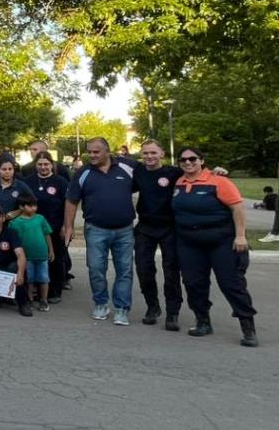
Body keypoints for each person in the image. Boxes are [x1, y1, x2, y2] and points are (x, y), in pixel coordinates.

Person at [172, 148, 258, 347]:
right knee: (193, 283)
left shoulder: (219, 181)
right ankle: (202, 321)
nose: (187, 162)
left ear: (202, 160)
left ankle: (248, 326)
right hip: (189, 242)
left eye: (192, 158)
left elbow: (237, 208)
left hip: (221, 241)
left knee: (231, 284)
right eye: (183, 160)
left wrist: (240, 236)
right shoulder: (179, 181)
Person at [63, 137, 137, 326]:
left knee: (125, 270)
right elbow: (71, 201)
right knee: (96, 269)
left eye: (96, 152)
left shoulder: (128, 167)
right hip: (96, 229)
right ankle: (101, 303)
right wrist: (69, 226)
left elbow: (153, 176)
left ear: (107, 151)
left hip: (125, 230)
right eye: (89, 151)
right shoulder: (83, 172)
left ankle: (121, 309)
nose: (92, 155)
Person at [131, 140, 185, 329]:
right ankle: (152, 307)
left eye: (153, 153)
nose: (149, 157)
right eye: (145, 153)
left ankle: (173, 312)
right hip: (145, 227)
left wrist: (218, 171)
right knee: (143, 269)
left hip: (169, 228)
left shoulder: (174, 172)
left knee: (171, 271)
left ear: (162, 154)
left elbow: (200, 174)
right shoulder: (138, 172)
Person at [26, 152, 70, 303]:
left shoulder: (61, 182)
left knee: (55, 259)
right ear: (35, 165)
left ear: (52, 165)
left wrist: (66, 225)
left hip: (56, 227)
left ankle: (54, 291)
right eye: (40, 164)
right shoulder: (28, 181)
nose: (43, 167)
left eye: (46, 164)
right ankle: (37, 290)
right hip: (34, 229)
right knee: (35, 258)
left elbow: (68, 205)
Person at [9, 195, 53, 312]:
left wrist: (51, 250)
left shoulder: (40, 219)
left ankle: (44, 300)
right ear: (21, 207)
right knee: (29, 279)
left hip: (42, 255)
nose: (33, 208)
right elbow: (13, 240)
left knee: (44, 278)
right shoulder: (15, 222)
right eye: (30, 206)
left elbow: (47, 234)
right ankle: (29, 299)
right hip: (26, 257)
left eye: (35, 205)